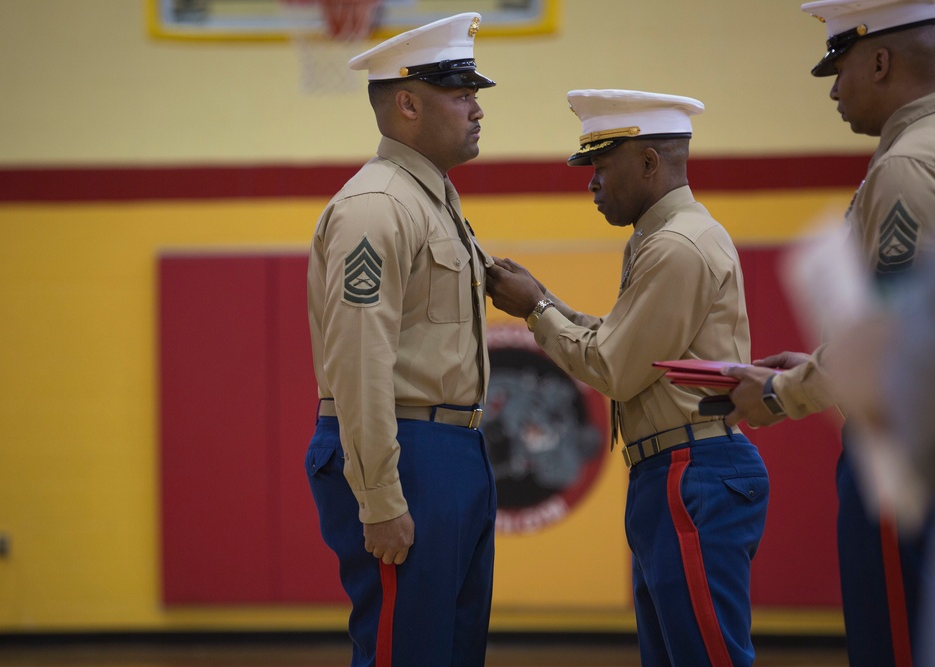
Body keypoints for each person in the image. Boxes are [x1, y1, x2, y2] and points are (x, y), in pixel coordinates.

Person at [486, 89, 769, 667]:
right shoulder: (658, 237)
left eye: (601, 165)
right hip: (677, 467)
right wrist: (544, 301)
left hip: (692, 470)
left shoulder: (676, 245)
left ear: (648, 162)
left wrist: (536, 312)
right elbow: (621, 342)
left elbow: (614, 368)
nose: (591, 181)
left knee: (705, 656)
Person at [721, 0, 935, 663]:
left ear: (880, 60)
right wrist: (819, 364)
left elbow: (899, 336)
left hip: (908, 456)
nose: (836, 89)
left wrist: (784, 391)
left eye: (839, 68)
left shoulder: (905, 164)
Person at [304, 13, 497, 667]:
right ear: (408, 103)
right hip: (404, 453)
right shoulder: (376, 206)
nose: (477, 108)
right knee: (406, 650)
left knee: (450, 649)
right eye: (460, 92)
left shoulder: (433, 199)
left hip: (450, 449)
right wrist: (380, 496)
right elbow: (359, 356)